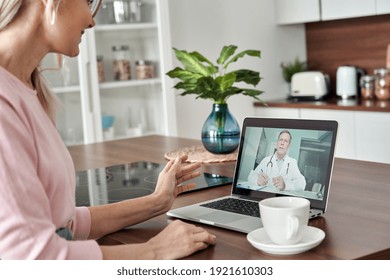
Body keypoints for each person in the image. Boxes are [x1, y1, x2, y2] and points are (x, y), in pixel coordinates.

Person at [0, 0, 216, 259]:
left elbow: (65, 223)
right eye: (88, 2)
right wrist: (154, 251)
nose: (91, 21)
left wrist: (157, 201)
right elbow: (31, 257)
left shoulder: (26, 89)